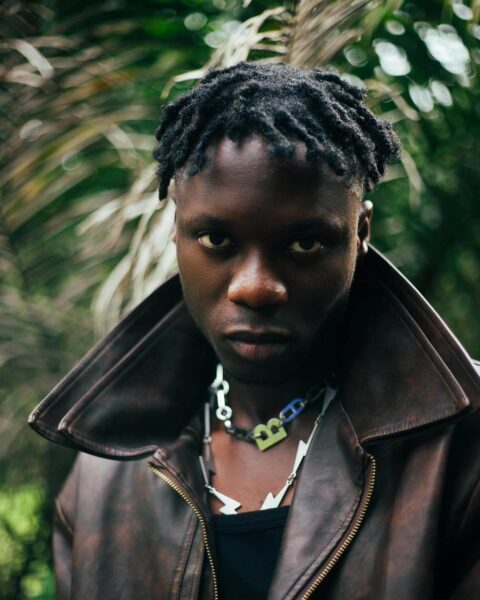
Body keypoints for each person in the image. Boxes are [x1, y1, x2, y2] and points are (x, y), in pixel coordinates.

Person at [29, 62, 480, 600]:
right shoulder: (104, 474)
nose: (256, 288)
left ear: (361, 232)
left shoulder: (462, 443)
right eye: (217, 239)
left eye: (305, 243)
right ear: (176, 231)